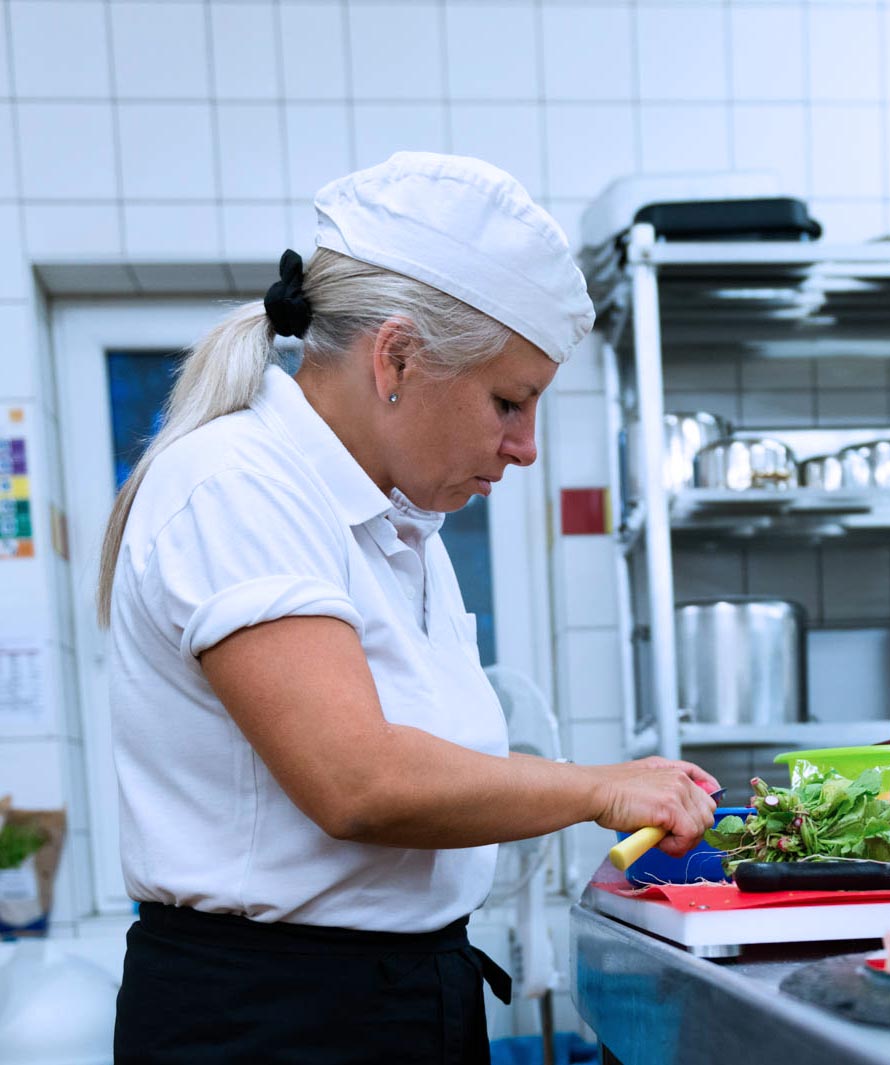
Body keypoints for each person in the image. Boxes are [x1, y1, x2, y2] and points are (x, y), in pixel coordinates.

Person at [100, 151, 719, 1063]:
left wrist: (600, 782)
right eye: (509, 402)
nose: (526, 447)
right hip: (271, 1023)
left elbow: (429, 768)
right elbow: (360, 781)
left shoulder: (398, 530)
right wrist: (599, 787)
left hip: (395, 998)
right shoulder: (236, 484)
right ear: (396, 356)